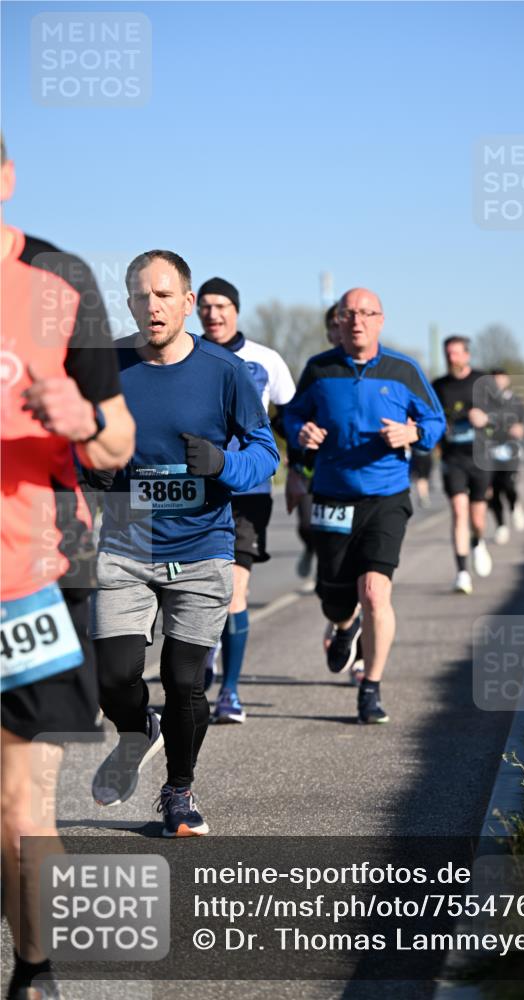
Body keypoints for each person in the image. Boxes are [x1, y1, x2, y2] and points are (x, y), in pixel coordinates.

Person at [0, 136, 135, 1000]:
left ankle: (35, 973)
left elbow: (118, 445)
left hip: (32, 582)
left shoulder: (60, 282)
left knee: (20, 803)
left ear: (4, 180)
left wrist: (82, 414)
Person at [90, 250, 279, 836]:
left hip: (203, 546)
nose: (153, 306)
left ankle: (177, 793)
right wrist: (88, 469)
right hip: (126, 544)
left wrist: (223, 462)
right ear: (128, 303)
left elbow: (265, 454)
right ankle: (134, 730)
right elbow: (74, 440)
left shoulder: (226, 372)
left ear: (187, 302)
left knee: (184, 680)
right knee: (115, 674)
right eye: (142, 296)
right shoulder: (106, 365)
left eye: (165, 295)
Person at [284, 288, 445, 724]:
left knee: (374, 592)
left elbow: (435, 420)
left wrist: (413, 435)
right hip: (333, 496)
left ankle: (370, 687)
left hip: (385, 497)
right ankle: (342, 628)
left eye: (366, 313)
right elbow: (292, 416)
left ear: (380, 319)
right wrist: (301, 434)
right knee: (335, 598)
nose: (356, 320)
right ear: (337, 321)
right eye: (348, 313)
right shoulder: (319, 369)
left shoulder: (403, 369)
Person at [196, 276, 295, 723]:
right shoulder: (187, 355)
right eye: (206, 306)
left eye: (221, 306)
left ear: (236, 310)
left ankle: (230, 693)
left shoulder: (265, 361)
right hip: (196, 489)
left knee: (236, 590)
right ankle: (206, 654)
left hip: (249, 491)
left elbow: (291, 420)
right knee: (198, 590)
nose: (213, 314)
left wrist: (304, 469)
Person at [432, 336, 492, 595]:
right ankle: (462, 573)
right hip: (452, 457)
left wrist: (486, 418)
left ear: (467, 355)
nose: (451, 359)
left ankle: (477, 541)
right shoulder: (439, 386)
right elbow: (429, 417)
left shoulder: (483, 381)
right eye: (448, 354)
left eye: (456, 354)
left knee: (477, 518)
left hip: (480, 457)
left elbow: (505, 414)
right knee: (459, 511)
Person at [287, 302, 341, 582]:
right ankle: (310, 548)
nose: (339, 330)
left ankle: (330, 580)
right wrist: (295, 465)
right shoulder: (318, 369)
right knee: (308, 526)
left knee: (336, 536)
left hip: (346, 473)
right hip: (310, 469)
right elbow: (292, 416)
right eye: (333, 326)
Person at [485, 369, 524, 545]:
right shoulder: (484, 402)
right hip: (489, 450)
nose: (498, 382)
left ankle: (514, 505)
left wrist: (521, 429)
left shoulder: (516, 401)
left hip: (510, 449)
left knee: (508, 484)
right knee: (492, 490)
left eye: (501, 379)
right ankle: (501, 526)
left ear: (507, 380)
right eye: (494, 380)